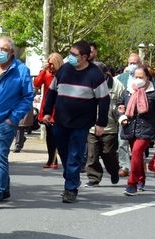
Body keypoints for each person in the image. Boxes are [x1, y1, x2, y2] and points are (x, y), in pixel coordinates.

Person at [42, 41, 110, 204]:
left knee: (74, 156)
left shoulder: (95, 74)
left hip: (81, 123)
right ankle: (71, 178)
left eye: (74, 55)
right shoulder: (64, 70)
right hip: (60, 121)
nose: (70, 57)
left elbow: (104, 100)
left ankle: (70, 189)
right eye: (70, 53)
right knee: (65, 154)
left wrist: (101, 123)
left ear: (85, 57)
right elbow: (51, 92)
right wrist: (46, 112)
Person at [0, 36, 33, 211]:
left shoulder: (21, 70)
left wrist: (13, 118)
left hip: (6, 122)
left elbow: (27, 97)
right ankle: (5, 188)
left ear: (11, 52)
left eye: (3, 49)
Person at [119, 66, 155, 195]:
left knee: (135, 152)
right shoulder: (128, 91)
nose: (138, 79)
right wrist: (122, 117)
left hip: (147, 128)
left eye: (141, 77)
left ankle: (132, 184)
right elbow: (119, 107)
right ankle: (141, 178)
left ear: (147, 78)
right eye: (136, 77)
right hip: (130, 128)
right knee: (137, 156)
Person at [85, 62, 123, 184]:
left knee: (108, 154)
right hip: (92, 126)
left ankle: (114, 170)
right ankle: (94, 177)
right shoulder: (87, 83)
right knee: (92, 155)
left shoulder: (117, 86)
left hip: (109, 127)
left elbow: (122, 104)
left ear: (106, 74)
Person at [114, 53, 140, 178]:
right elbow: (117, 96)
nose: (132, 66)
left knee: (137, 145)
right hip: (124, 115)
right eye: (130, 63)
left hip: (140, 117)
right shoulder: (120, 78)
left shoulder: (144, 78)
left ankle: (138, 166)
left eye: (135, 63)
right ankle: (124, 166)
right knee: (122, 141)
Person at [35, 53, 63, 168]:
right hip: (48, 108)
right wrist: (43, 70)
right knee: (49, 136)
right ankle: (51, 159)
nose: (50, 66)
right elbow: (36, 83)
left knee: (57, 135)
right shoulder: (46, 73)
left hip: (59, 108)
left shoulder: (63, 74)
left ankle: (55, 159)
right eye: (49, 63)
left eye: (52, 63)